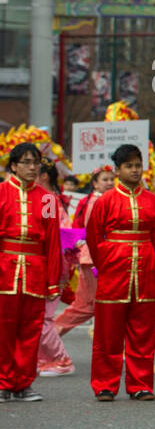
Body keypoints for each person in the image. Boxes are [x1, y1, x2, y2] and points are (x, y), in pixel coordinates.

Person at [84, 144, 155, 401]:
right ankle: (105, 385)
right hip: (113, 274)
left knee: (143, 333)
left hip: (145, 273)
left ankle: (140, 384)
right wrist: (107, 263)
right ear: (118, 170)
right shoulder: (105, 200)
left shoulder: (152, 200)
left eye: (138, 165)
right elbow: (94, 238)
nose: (135, 170)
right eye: (129, 166)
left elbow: (153, 236)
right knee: (108, 334)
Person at [0, 143, 62, 402]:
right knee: (4, 330)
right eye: (26, 162)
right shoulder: (1, 193)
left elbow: (52, 241)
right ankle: (4, 383)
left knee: (31, 330)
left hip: (35, 271)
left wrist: (52, 281)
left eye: (36, 162)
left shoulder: (47, 199)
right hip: (5, 270)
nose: (32, 167)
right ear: (13, 165)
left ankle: (23, 384)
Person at [56, 166, 115, 336]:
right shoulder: (97, 202)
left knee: (102, 304)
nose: (110, 183)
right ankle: (48, 334)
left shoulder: (100, 200)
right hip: (94, 258)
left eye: (112, 179)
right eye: (105, 179)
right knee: (87, 306)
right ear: (95, 184)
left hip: (102, 257)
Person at [35, 161, 75, 378]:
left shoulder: (49, 201)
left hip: (52, 264)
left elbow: (57, 235)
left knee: (43, 317)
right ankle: (43, 358)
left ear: (43, 177)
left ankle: (61, 359)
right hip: (34, 263)